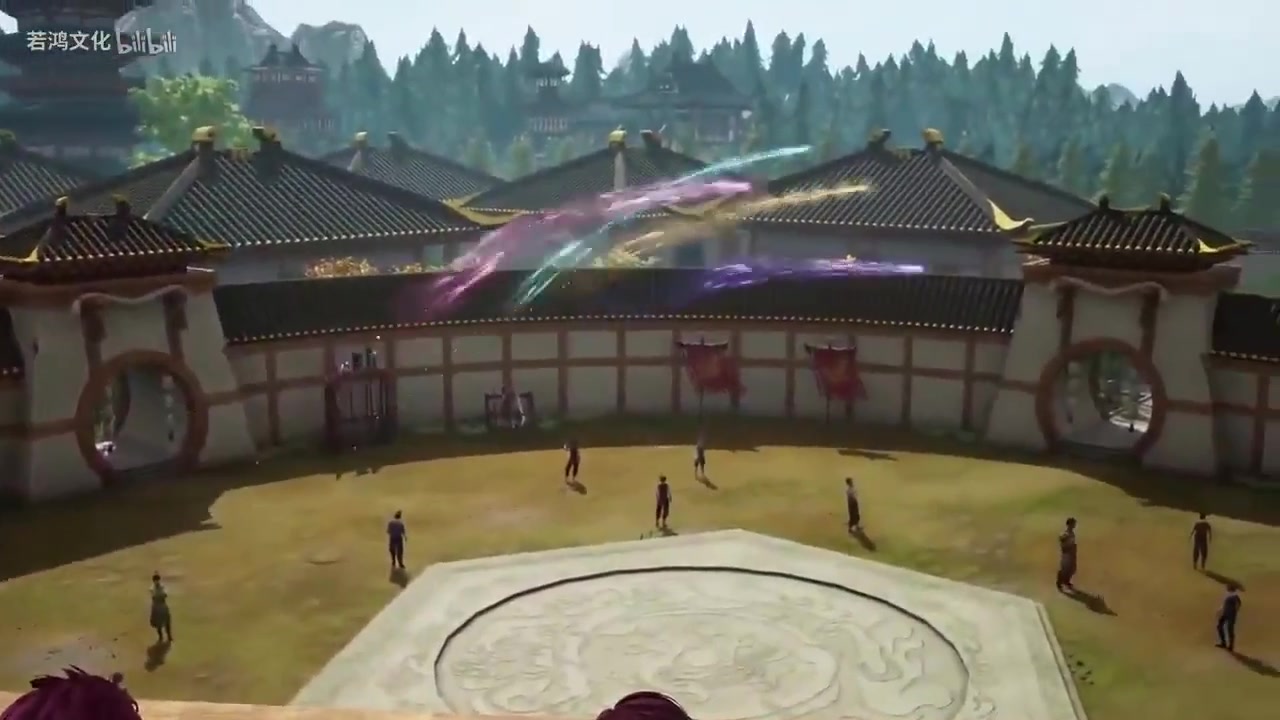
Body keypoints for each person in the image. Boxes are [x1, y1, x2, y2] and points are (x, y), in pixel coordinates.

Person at [1216, 583, 1242, 651]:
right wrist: (1220, 610)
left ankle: (1230, 646)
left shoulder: (1235, 596)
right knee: (1219, 626)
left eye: (1228, 586)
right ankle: (1223, 643)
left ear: (1231, 588)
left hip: (1231, 615)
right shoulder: (1228, 595)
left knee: (1230, 629)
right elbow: (1225, 604)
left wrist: (1234, 612)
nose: (1226, 587)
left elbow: (1238, 605)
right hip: (1225, 613)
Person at [1056, 518, 1078, 591]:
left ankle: (1066, 581)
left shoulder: (1072, 533)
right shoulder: (1066, 533)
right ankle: (1059, 582)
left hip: (1071, 553)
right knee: (1065, 569)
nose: (1075, 525)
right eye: (1073, 524)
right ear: (1069, 524)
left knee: (1072, 569)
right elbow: (1061, 539)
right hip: (1066, 554)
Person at [149, 573, 172, 643]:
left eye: (157, 580)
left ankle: (169, 636)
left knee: (167, 621)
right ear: (154, 581)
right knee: (158, 623)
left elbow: (165, 595)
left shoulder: (162, 587)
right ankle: (160, 636)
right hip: (156, 607)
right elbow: (154, 596)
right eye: (155, 580)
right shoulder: (152, 588)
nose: (157, 581)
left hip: (162, 606)